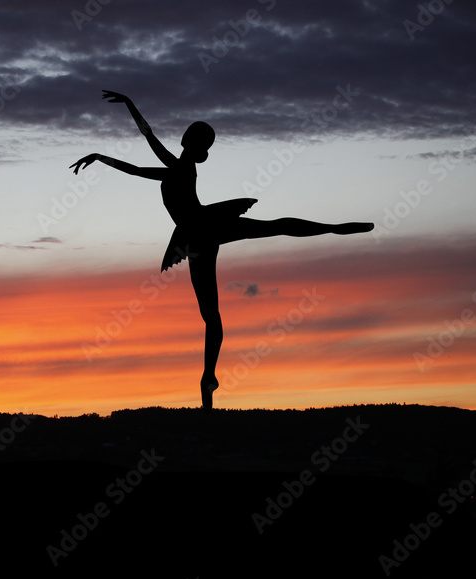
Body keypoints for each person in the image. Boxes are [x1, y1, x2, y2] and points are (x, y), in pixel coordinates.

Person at [70, 90, 373, 410]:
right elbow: (147, 140)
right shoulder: (177, 166)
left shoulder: (179, 169)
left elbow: (143, 152)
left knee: (262, 242)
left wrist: (104, 150)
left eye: (192, 136)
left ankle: (334, 227)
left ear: (192, 143)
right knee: (217, 304)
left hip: (202, 229)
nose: (185, 137)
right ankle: (209, 377)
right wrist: (125, 114)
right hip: (197, 236)